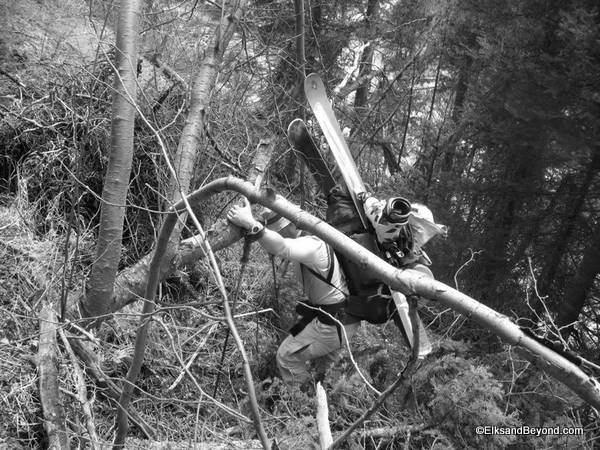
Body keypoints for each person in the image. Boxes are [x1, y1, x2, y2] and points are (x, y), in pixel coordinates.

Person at [226, 200, 361, 388]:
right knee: (325, 369)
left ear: (290, 225)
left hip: (333, 323)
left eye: (278, 229)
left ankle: (299, 403)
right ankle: (325, 399)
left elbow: (280, 246)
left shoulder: (313, 245)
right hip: (342, 319)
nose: (278, 234)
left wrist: (250, 223)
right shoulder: (315, 239)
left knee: (287, 356)